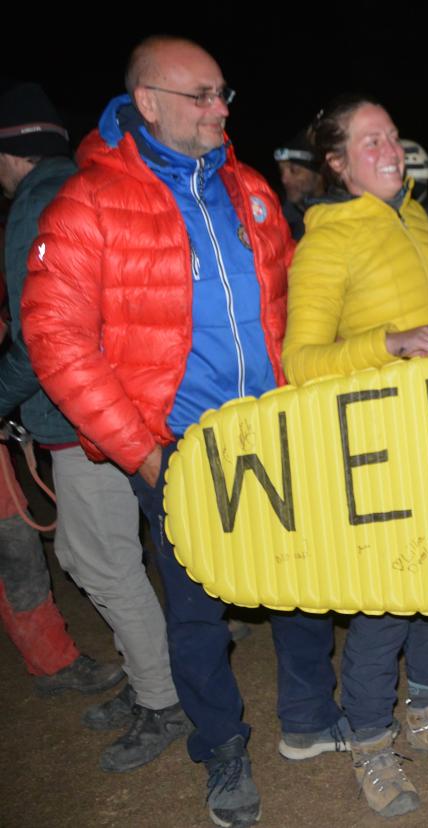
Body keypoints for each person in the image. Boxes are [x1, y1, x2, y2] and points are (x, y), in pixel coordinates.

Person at [23, 37, 346, 828]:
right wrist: (142, 450)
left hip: (274, 433)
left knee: (301, 583)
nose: (221, 108)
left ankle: (307, 719)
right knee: (197, 612)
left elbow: (293, 308)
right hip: (179, 449)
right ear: (149, 102)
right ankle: (222, 749)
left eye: (223, 93)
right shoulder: (86, 204)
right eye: (202, 95)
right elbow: (55, 338)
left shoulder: (250, 190)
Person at [283, 94, 428, 819]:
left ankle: (427, 713)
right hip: (379, 453)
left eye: (393, 137)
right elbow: (299, 361)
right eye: (371, 142)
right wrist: (387, 344)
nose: (391, 151)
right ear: (335, 162)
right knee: (385, 603)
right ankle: (370, 741)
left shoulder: (419, 227)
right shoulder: (328, 239)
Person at [0, 80, 184, 772]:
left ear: (12, 153)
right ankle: (153, 682)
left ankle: (164, 699)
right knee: (90, 559)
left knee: (106, 564)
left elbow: (38, 337)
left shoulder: (37, 206)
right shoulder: (83, 187)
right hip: (105, 414)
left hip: (83, 420)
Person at [274, 127, 324, 240]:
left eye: (294, 170)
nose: (284, 179)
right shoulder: (277, 220)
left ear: (318, 174)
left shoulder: (345, 211)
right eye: (281, 171)